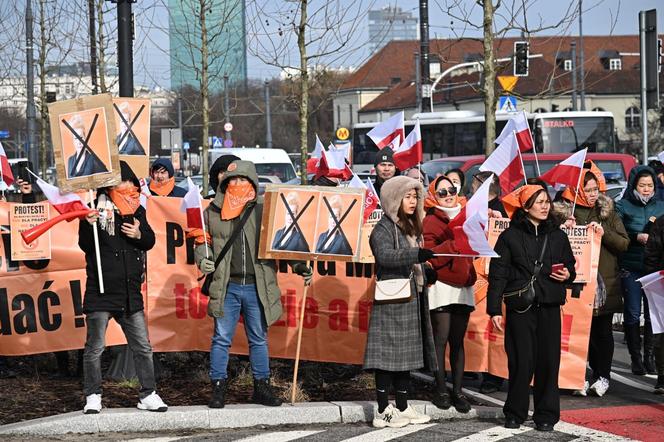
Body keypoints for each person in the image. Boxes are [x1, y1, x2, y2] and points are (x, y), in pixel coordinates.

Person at [195, 160, 312, 408]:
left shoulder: (266, 208)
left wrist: (300, 265)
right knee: (221, 338)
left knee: (258, 338)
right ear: (224, 184)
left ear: (253, 183)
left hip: (257, 286)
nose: (237, 185)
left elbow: (282, 242)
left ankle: (262, 387)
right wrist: (203, 260)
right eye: (232, 181)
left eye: (242, 180)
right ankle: (218, 388)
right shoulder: (212, 211)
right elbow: (201, 243)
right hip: (227, 286)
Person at [80, 161, 167, 414]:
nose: (129, 191)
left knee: (143, 346)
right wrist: (88, 224)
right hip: (101, 290)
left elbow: (149, 241)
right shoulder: (94, 208)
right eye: (123, 186)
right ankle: (93, 395)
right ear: (110, 188)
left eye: (132, 187)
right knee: (95, 348)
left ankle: (148, 394)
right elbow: (85, 245)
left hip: (130, 294)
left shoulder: (137, 210)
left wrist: (139, 234)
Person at [487, 185, 575, 431]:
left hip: (549, 306)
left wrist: (568, 273)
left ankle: (546, 415)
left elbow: (570, 265)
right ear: (525, 207)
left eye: (547, 201)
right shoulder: (509, 236)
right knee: (520, 362)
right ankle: (515, 413)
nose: (545, 206)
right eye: (539, 202)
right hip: (520, 308)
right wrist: (494, 309)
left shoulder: (558, 235)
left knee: (548, 363)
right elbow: (498, 274)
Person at [364, 176, 437, 428]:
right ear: (394, 199)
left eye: (415, 196)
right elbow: (384, 256)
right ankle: (383, 410)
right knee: (386, 357)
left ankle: (403, 408)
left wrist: (426, 271)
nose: (413, 201)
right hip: (392, 300)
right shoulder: (383, 227)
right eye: (407, 196)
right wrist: (416, 254)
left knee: (405, 358)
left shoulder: (411, 227)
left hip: (410, 297)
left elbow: (412, 262)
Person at [553, 165, 629, 397]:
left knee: (602, 333)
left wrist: (604, 230)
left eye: (596, 189)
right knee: (577, 334)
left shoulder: (607, 211)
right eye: (587, 190)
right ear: (575, 191)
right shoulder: (562, 213)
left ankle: (602, 376)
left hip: (603, 283)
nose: (593, 194)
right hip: (574, 285)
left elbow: (624, 244)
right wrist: (562, 229)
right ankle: (577, 377)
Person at [422, 175, 475, 413]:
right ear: (434, 195)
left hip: (464, 284)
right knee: (440, 339)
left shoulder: (468, 215)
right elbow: (429, 254)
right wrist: (454, 243)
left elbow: (475, 248)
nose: (448, 194)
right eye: (442, 192)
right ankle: (441, 388)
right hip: (442, 285)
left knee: (458, 340)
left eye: (451, 189)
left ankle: (458, 390)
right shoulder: (430, 220)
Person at [616, 165, 664, 375]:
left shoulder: (661, 206)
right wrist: (636, 237)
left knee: (653, 315)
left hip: (654, 269)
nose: (646, 189)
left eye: (650, 185)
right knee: (633, 313)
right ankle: (635, 358)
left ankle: (650, 358)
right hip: (631, 267)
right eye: (642, 185)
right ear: (634, 185)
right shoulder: (622, 206)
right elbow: (618, 231)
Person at [643, 211, 664, 394]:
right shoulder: (661, 222)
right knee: (662, 332)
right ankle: (663, 376)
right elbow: (651, 254)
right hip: (663, 283)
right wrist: (656, 278)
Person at [66, 114, 108, 178]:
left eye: (81, 137)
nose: (79, 142)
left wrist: (93, 188)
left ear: (85, 138)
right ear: (73, 140)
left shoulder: (93, 159)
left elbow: (107, 179)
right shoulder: (70, 160)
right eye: (76, 138)